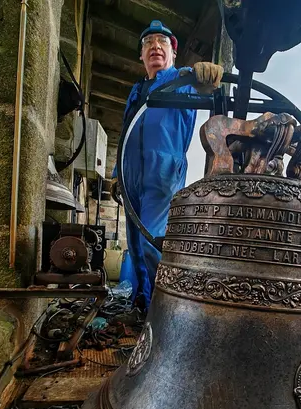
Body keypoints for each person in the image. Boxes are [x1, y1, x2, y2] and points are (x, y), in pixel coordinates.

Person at [111, 20, 223, 312]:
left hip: (162, 173)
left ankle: (164, 312)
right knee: (135, 244)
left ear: (173, 53)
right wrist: (115, 175)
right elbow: (125, 133)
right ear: (141, 55)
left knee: (152, 241)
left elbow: (206, 86)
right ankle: (141, 306)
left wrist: (206, 75)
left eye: (162, 41)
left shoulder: (181, 81)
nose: (155, 47)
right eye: (148, 43)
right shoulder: (137, 92)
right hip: (130, 175)